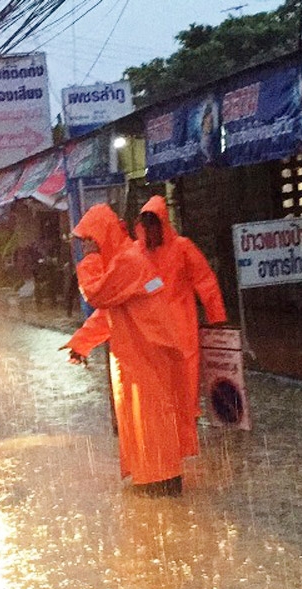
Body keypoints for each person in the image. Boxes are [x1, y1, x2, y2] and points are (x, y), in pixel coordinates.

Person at [62, 198, 226, 496]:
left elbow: (96, 296)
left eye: (89, 240)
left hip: (147, 357)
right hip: (142, 357)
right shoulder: (129, 261)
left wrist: (89, 261)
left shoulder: (129, 261)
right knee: (148, 423)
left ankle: (159, 486)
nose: (86, 247)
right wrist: (82, 343)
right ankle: (157, 485)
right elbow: (112, 312)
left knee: (154, 423)